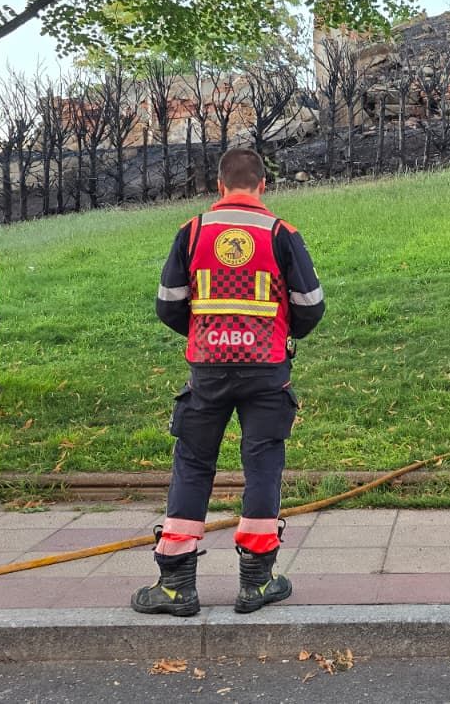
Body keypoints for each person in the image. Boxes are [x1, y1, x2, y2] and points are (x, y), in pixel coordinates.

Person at [133, 148, 326, 617]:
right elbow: (311, 304)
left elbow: (168, 303)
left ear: (219, 187)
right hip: (267, 370)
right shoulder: (282, 234)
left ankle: (177, 586)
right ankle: (256, 583)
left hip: (208, 370)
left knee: (194, 465)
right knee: (262, 464)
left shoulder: (193, 231)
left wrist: (206, 332)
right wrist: (282, 334)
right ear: (263, 186)